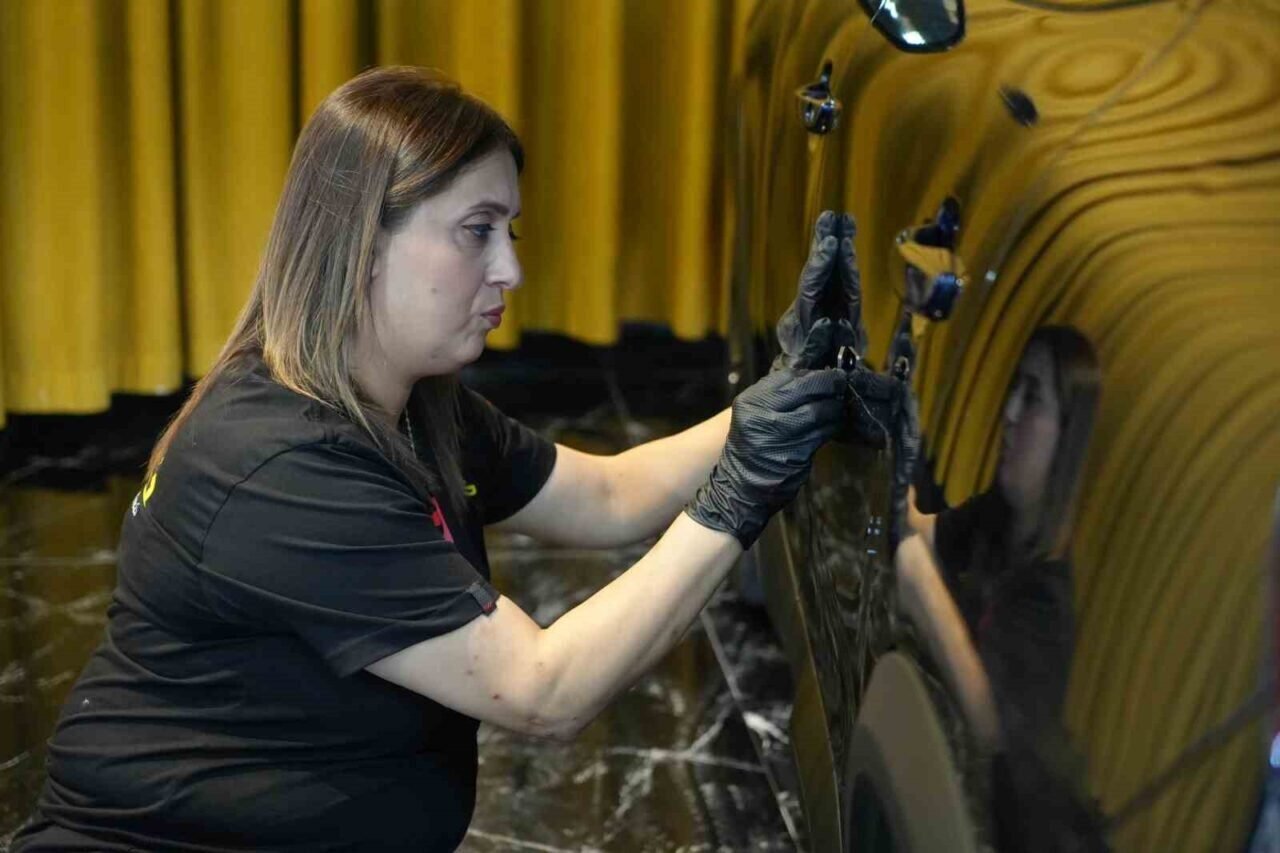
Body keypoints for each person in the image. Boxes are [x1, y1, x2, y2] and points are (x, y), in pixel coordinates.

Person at [11, 67, 851, 852]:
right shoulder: (281, 465)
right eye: (476, 231)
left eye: (508, 231)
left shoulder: (409, 401)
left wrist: (781, 392)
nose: (510, 268)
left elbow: (607, 494)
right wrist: (741, 494)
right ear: (363, 242)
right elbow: (542, 691)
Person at [894, 325, 1102, 849]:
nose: (1008, 414)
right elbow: (927, 532)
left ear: (1068, 435)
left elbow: (991, 721)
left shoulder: (1049, 595)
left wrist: (920, 585)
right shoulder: (999, 517)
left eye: (1032, 399)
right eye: (1014, 390)